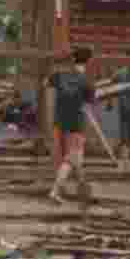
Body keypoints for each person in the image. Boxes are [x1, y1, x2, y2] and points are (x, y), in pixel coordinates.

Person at [46, 47, 95, 202]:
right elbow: (89, 104)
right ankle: (55, 191)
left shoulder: (59, 75)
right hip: (76, 125)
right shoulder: (86, 82)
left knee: (72, 160)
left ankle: (82, 188)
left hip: (59, 121)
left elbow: (45, 83)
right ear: (89, 61)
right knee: (72, 160)